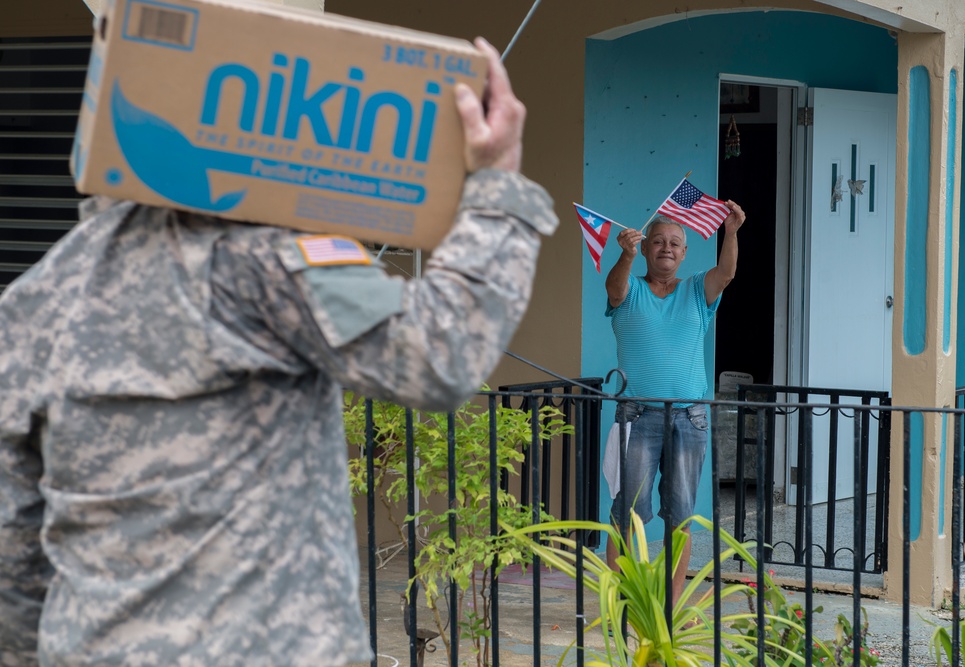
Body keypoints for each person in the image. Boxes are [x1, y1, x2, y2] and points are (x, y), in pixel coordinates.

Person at [0, 37, 557, 667]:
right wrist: (496, 186)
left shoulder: (33, 299)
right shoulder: (263, 255)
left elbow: (12, 552)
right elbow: (441, 354)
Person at [604, 205, 745, 604]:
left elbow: (728, 273)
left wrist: (730, 232)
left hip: (689, 418)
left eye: (675, 243)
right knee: (625, 515)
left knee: (681, 517)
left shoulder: (697, 290)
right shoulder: (629, 289)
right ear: (646, 248)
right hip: (637, 416)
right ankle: (620, 604)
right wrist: (625, 255)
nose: (666, 247)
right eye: (658, 241)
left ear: (684, 253)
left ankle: (669, 607)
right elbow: (614, 289)